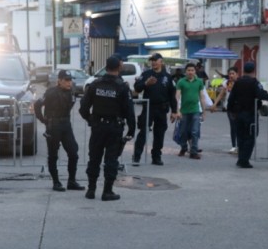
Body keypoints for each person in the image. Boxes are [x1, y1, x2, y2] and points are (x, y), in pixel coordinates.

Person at [79, 55, 135, 201]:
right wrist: (131, 130)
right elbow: (129, 111)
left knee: (94, 158)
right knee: (111, 159)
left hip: (98, 126)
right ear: (118, 67)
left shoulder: (95, 84)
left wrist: (91, 120)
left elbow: (83, 108)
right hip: (114, 128)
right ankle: (107, 191)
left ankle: (91, 190)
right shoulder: (122, 87)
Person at [34, 69, 84, 191]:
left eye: (70, 80)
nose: (69, 83)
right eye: (66, 80)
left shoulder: (72, 92)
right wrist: (43, 120)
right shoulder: (51, 92)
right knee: (53, 155)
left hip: (66, 125)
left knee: (73, 153)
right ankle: (56, 182)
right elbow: (37, 105)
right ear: (59, 81)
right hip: (53, 126)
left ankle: (71, 181)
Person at [132, 52, 177, 166]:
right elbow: (137, 88)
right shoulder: (146, 74)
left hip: (162, 109)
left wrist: (174, 111)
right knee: (143, 132)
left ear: (161, 62)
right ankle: (136, 157)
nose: (153, 62)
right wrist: (146, 83)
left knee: (159, 133)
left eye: (155, 60)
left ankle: (156, 157)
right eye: (152, 60)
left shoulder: (167, 77)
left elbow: (172, 95)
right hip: (148, 108)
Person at [226, 61, 268, 168]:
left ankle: (240, 159)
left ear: (244, 70)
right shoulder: (254, 82)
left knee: (241, 137)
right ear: (254, 70)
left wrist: (231, 111)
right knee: (251, 136)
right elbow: (260, 93)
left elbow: (231, 98)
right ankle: (244, 160)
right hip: (250, 114)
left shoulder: (238, 82)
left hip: (238, 114)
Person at [175, 62, 204, 159]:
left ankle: (194, 151)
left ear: (195, 71)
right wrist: (177, 110)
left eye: (192, 70)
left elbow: (202, 97)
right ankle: (183, 147)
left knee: (195, 131)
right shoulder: (181, 82)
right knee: (183, 131)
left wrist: (204, 111)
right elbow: (177, 97)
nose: (190, 72)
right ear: (185, 72)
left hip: (195, 110)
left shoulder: (199, 82)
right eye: (188, 70)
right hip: (184, 111)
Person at [209, 67, 239, 153]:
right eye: (230, 74)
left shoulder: (240, 82)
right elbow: (221, 94)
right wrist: (214, 104)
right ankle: (234, 146)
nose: (231, 75)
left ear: (237, 74)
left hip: (240, 108)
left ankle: (240, 145)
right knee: (233, 127)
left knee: (239, 127)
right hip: (230, 108)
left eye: (233, 73)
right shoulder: (226, 83)